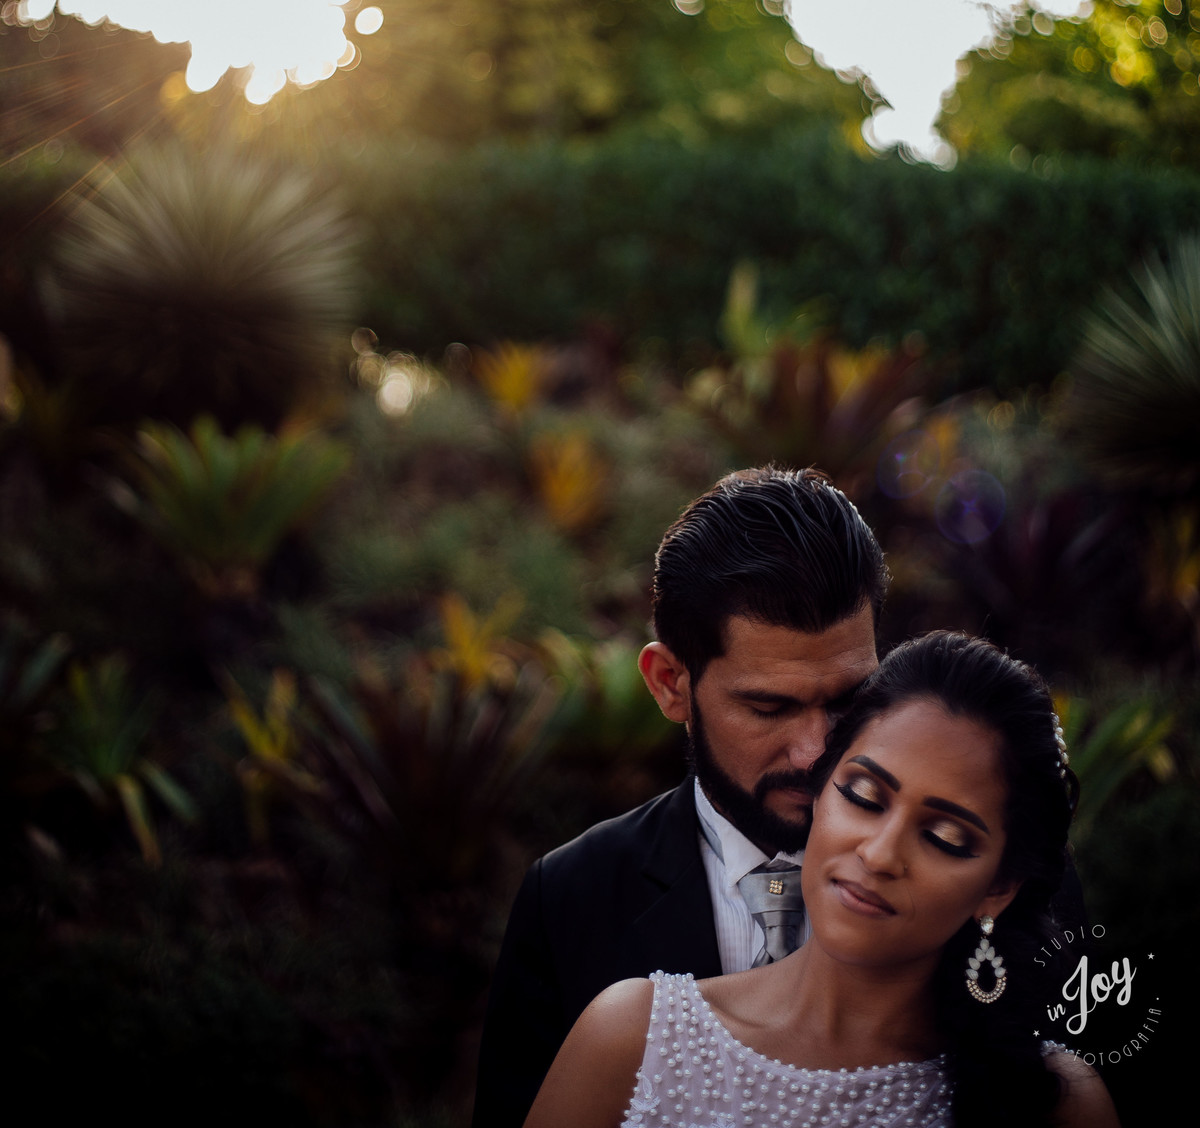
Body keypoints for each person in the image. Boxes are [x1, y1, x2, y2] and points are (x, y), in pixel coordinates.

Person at [523, 631, 1118, 1128]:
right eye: (863, 796)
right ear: (820, 791)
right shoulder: (633, 1037)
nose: (881, 853)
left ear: (998, 888)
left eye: (945, 838)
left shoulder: (1058, 1101)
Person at [472, 468, 888, 1128]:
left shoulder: (975, 879)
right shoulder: (569, 899)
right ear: (670, 685)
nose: (815, 750)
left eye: (848, 700)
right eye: (768, 706)